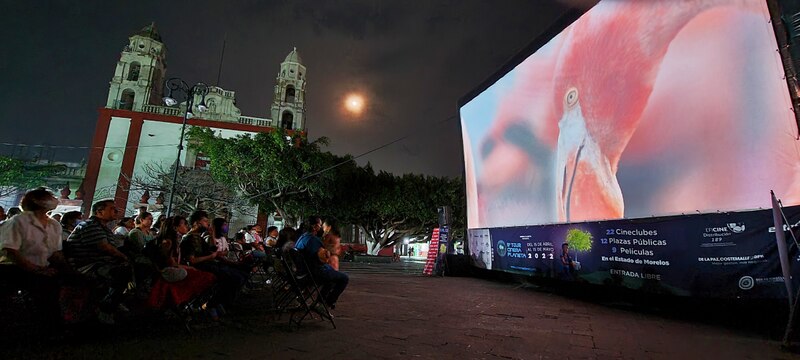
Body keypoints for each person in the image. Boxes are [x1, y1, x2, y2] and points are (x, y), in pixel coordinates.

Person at [0, 188, 72, 330]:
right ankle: (49, 326)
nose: (55, 199)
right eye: (50, 197)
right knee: (46, 286)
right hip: (13, 268)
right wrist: (37, 270)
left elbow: (55, 253)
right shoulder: (18, 221)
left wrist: (69, 270)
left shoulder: (54, 225)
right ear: (37, 201)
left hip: (41, 268)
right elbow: (10, 251)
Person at [65, 199, 132, 324]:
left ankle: (112, 301)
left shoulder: (103, 228)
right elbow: (105, 247)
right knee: (122, 272)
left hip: (101, 263)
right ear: (99, 212)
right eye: (111, 208)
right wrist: (123, 257)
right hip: (88, 265)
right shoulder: (89, 225)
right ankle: (107, 306)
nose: (115, 211)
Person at [180, 210, 247, 318]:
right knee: (232, 278)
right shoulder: (189, 238)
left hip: (211, 264)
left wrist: (211, 236)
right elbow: (192, 260)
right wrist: (211, 256)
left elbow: (212, 250)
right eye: (205, 221)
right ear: (196, 223)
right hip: (202, 266)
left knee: (239, 275)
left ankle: (216, 304)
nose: (207, 224)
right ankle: (210, 305)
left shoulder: (200, 238)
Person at [146, 216, 216, 310]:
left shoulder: (176, 240)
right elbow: (170, 263)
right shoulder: (168, 242)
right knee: (197, 276)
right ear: (175, 227)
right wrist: (187, 267)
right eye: (184, 224)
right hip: (166, 271)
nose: (187, 226)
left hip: (175, 268)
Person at [295, 216, 348, 309]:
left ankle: (319, 302)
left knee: (332, 276)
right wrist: (328, 254)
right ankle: (326, 304)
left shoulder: (303, 237)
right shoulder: (313, 240)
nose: (321, 228)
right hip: (311, 273)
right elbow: (323, 259)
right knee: (344, 278)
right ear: (314, 227)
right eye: (320, 225)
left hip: (302, 272)